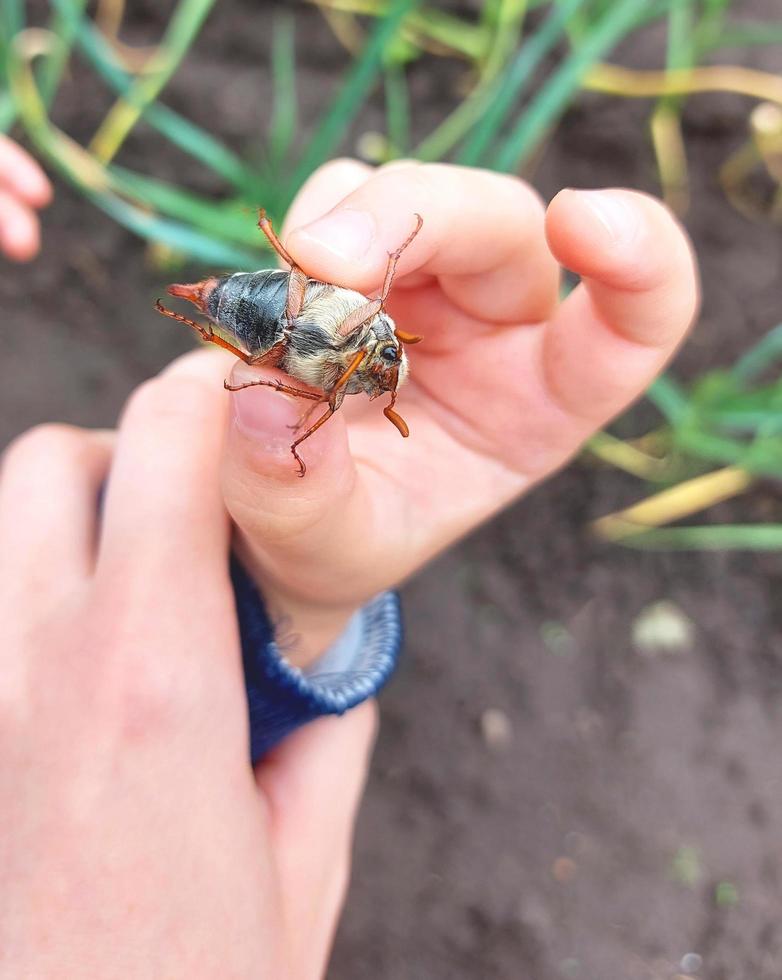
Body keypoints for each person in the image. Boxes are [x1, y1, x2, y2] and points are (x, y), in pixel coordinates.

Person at [0, 144, 698, 976]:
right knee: (289, 328)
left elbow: (306, 356)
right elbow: (320, 298)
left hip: (271, 326)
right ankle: (208, 312)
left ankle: (208, 315)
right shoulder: (362, 336)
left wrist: (303, 570)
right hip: (279, 309)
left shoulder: (348, 372)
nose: (387, 371)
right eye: (390, 367)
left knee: (277, 354)